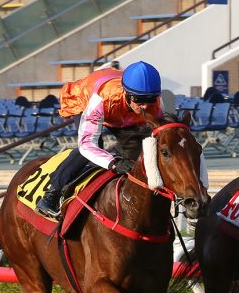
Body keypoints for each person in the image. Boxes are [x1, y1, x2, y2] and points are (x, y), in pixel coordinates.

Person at [36, 61, 163, 218]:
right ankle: (51, 194)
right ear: (127, 94)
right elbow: (87, 144)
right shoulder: (101, 99)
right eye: (139, 100)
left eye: (149, 100)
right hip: (86, 98)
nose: (144, 106)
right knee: (97, 146)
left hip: (120, 108)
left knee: (137, 147)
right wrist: (113, 163)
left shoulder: (155, 103)